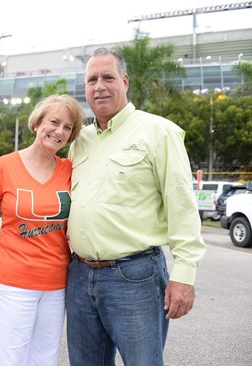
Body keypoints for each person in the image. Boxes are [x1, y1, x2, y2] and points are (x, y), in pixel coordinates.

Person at [65, 47, 207, 365]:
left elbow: (181, 205)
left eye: (108, 77)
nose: (99, 86)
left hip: (134, 277)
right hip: (78, 275)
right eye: (91, 79)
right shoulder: (79, 140)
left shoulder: (158, 132)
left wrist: (184, 275)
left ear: (125, 81)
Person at [0, 95, 84, 365]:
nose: (59, 131)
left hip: (56, 284)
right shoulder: (5, 165)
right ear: (37, 122)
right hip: (13, 284)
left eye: (67, 127)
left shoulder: (71, 169)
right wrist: (5, 251)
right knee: (9, 358)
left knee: (45, 359)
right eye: (54, 122)